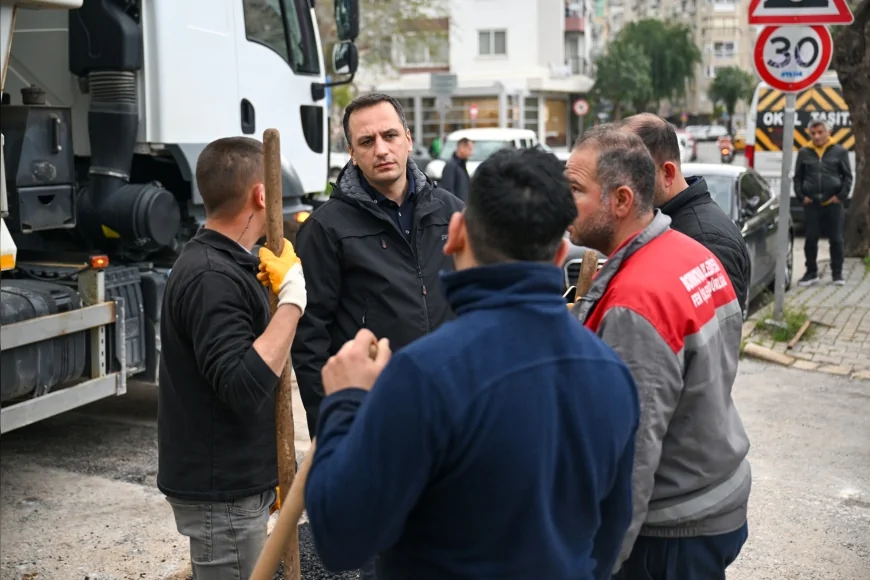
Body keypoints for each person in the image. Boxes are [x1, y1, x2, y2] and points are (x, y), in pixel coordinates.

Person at [304, 146, 640, 580]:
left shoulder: (425, 376)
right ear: (560, 255)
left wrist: (347, 401)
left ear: (456, 232)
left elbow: (340, 539)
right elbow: (609, 536)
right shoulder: (611, 373)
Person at [565, 125, 751, 580]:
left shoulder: (637, 304)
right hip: (709, 493)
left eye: (574, 189)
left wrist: (598, 564)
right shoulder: (687, 251)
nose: (561, 202)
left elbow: (631, 457)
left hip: (670, 532)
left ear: (622, 201)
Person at [291, 92, 464, 579]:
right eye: (366, 141)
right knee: (383, 557)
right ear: (352, 152)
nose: (381, 149)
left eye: (390, 136)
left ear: (409, 138)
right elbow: (310, 338)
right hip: (376, 420)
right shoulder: (327, 228)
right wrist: (331, 423)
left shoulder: (450, 211)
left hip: (450, 414)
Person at [156, 137, 307, 579]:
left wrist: (272, 467)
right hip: (221, 494)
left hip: (236, 482)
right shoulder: (210, 276)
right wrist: (293, 300)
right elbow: (242, 386)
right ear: (262, 195)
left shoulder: (227, 264)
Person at [620, 113, 751, 314]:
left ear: (668, 174)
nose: (621, 185)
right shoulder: (661, 220)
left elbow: (716, 331)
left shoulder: (706, 240)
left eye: (631, 174)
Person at [793, 119, 853, 286]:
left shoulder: (839, 152)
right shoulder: (804, 152)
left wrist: (840, 196)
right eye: (813, 133)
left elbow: (847, 177)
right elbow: (798, 177)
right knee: (811, 239)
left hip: (833, 203)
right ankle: (811, 272)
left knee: (836, 239)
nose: (817, 136)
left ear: (828, 132)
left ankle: (837, 274)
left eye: (820, 132)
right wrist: (801, 196)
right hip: (812, 203)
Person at [439, 137, 473, 202]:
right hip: (456, 209)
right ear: (461, 148)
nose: (471, 153)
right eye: (469, 149)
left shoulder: (461, 165)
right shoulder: (451, 166)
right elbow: (448, 191)